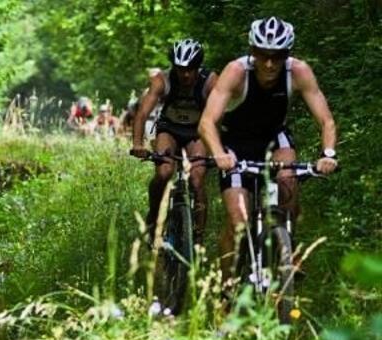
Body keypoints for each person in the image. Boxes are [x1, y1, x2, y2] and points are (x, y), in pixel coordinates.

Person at [198, 16, 338, 283]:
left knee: (289, 184)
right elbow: (206, 122)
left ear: (287, 54)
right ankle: (225, 291)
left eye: (278, 56)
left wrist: (328, 154)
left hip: (274, 138)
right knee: (238, 222)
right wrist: (218, 153)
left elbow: (326, 120)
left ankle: (289, 249)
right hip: (234, 144)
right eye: (263, 56)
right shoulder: (236, 72)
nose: (270, 63)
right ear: (253, 52)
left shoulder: (299, 72)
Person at [130, 39, 218, 245]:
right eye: (181, 69)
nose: (186, 75)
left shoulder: (210, 81)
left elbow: (218, 116)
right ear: (174, 67)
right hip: (169, 128)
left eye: (190, 70)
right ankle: (153, 216)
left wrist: (218, 148)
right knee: (164, 172)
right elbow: (142, 113)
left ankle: (197, 238)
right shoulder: (162, 80)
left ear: (198, 67)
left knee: (197, 178)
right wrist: (138, 143)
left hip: (197, 131)